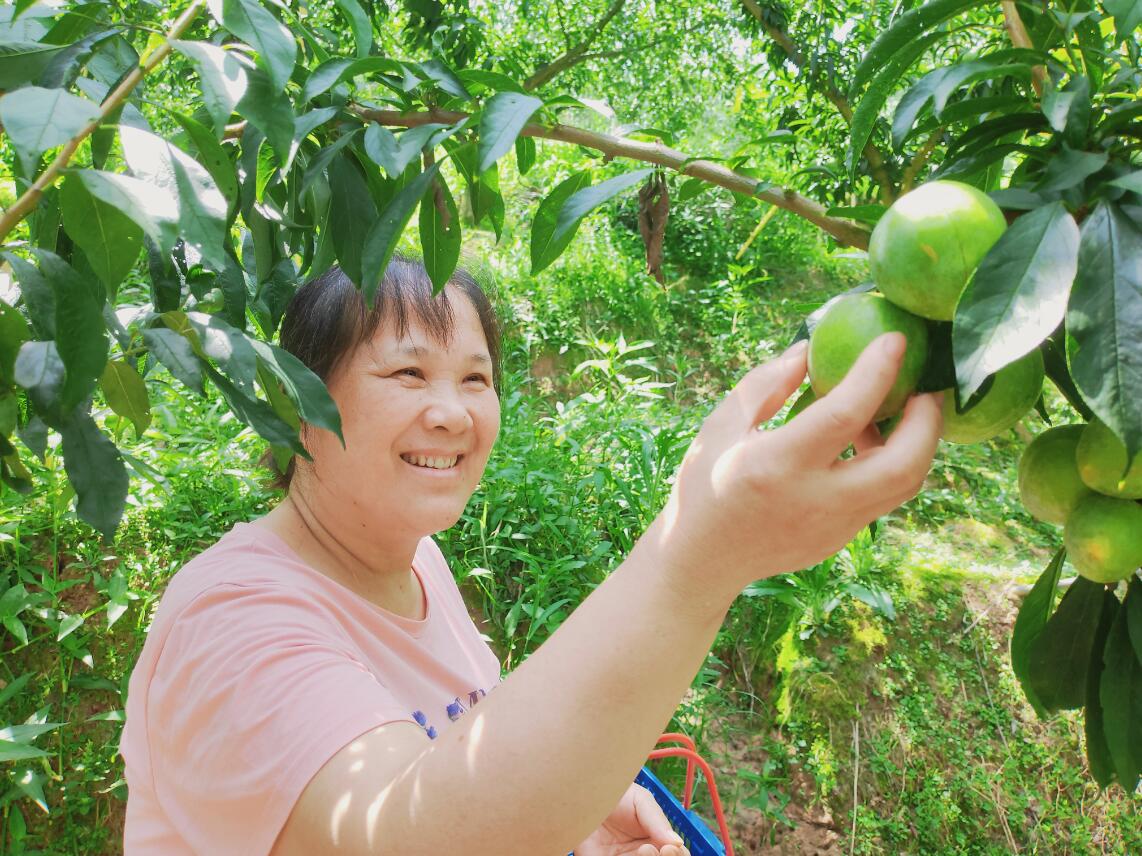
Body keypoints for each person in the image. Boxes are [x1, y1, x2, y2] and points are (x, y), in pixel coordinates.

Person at [119, 257, 943, 855]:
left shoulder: (415, 565)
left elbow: (462, 759)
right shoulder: (228, 622)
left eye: (476, 379)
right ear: (297, 405)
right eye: (408, 371)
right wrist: (702, 552)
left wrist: (576, 812)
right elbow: (403, 837)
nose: (452, 412)